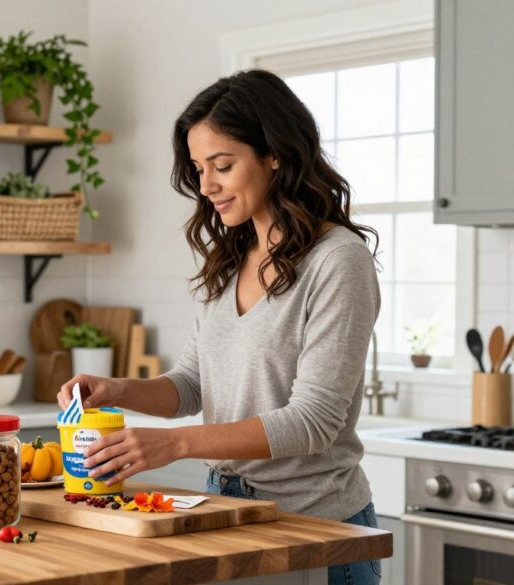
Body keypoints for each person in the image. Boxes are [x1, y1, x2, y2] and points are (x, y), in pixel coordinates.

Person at [57, 69, 381, 585]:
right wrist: (118, 389)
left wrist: (175, 444)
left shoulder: (338, 261)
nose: (206, 186)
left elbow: (313, 421)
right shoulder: (229, 259)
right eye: (198, 168)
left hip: (314, 528)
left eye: (222, 166)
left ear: (275, 153)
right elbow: (192, 384)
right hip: (227, 514)